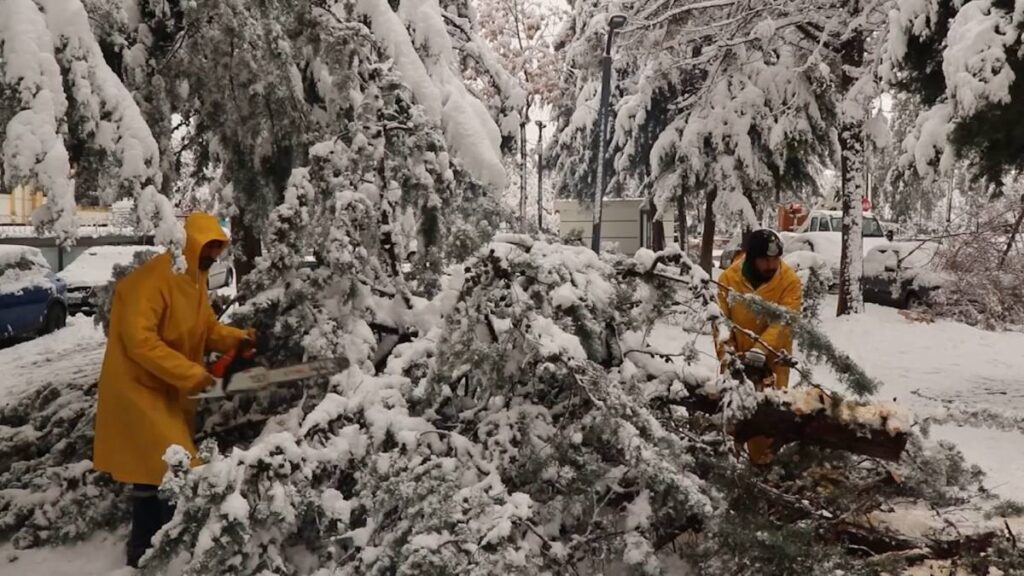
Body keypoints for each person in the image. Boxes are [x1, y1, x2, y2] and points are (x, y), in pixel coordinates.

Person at [92, 212, 253, 567]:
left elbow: (206, 328)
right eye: (208, 246)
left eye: (217, 247)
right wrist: (193, 374)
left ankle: (143, 550)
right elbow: (140, 342)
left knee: (155, 469)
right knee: (179, 466)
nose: (213, 255)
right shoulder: (153, 279)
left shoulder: (194, 281)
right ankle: (173, 549)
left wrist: (239, 339)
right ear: (191, 242)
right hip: (136, 388)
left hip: (165, 386)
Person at [715, 228, 802, 464]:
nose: (772, 265)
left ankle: (762, 468)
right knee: (734, 418)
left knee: (766, 421)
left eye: (776, 259)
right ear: (752, 258)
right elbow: (721, 325)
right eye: (766, 259)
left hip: (774, 363)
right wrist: (728, 359)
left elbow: (785, 320)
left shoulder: (789, 281)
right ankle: (731, 468)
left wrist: (760, 350)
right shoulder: (728, 280)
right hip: (738, 363)